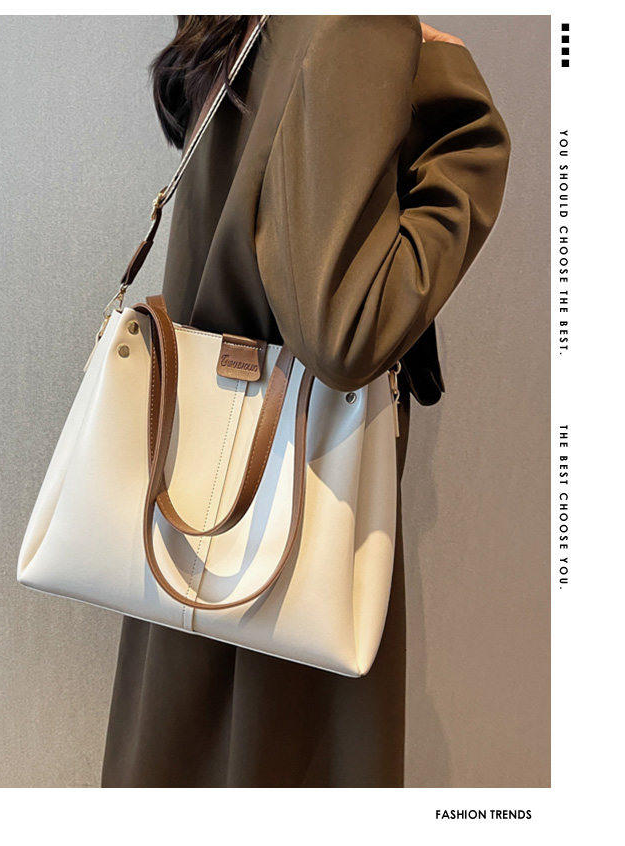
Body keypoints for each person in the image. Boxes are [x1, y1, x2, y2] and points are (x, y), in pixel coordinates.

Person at [101, 14, 511, 788]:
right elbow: (345, 333)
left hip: (193, 504)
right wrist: (462, 113)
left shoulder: (247, 21)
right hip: (295, 526)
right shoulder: (353, 23)